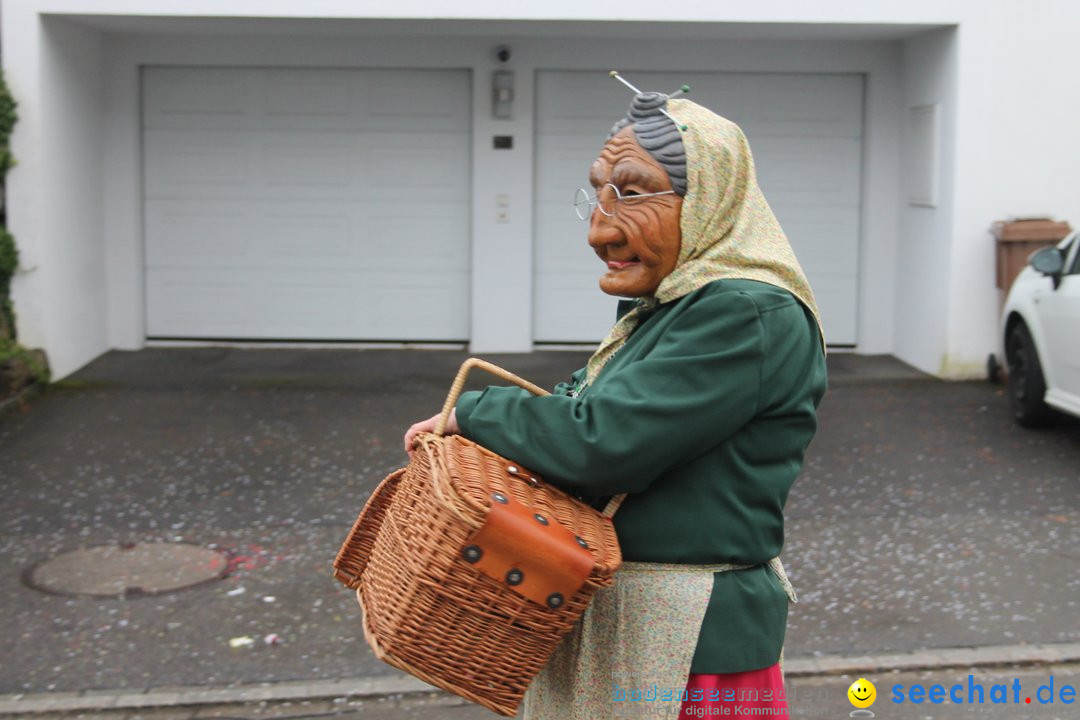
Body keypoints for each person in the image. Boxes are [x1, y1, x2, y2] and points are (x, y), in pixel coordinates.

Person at [404, 88, 827, 719]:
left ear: (709, 196)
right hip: (624, 616)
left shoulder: (743, 310)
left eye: (630, 191)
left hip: (686, 641)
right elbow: (588, 408)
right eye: (597, 194)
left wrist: (477, 413)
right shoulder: (673, 306)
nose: (600, 227)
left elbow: (601, 443)